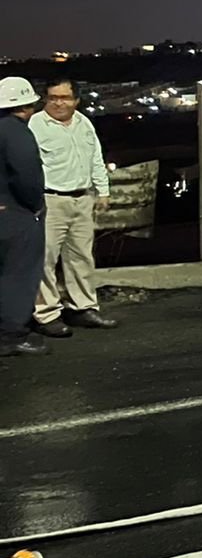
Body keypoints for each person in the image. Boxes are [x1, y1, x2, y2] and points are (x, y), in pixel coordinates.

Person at [30, 78, 116, 335]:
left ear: (76, 100)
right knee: (45, 258)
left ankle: (82, 308)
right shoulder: (35, 125)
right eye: (53, 97)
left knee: (81, 256)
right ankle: (46, 314)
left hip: (82, 198)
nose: (58, 103)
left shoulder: (83, 122)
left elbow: (95, 157)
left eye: (64, 97)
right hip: (50, 199)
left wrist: (103, 191)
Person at [0, 77, 48, 357]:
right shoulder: (16, 132)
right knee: (18, 273)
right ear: (26, 106)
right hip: (15, 214)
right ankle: (12, 335)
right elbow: (27, 177)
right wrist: (34, 205)